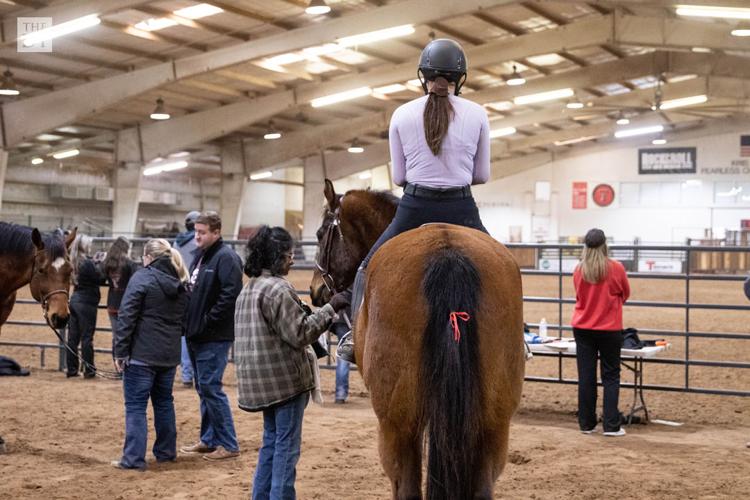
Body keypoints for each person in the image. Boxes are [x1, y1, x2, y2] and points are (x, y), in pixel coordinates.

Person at [337, 38, 490, 363]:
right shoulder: (477, 114)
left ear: (424, 76)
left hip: (414, 208)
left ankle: (353, 338)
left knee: (366, 268)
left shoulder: (402, 114)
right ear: (459, 78)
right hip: (462, 208)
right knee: (500, 266)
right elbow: (482, 175)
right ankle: (515, 338)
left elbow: (400, 178)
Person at [234, 226, 350, 499]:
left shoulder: (248, 290)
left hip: (261, 384)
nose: (292, 260)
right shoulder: (278, 289)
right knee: (286, 449)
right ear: (275, 257)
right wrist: (331, 308)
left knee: (271, 444)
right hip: (285, 384)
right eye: (288, 255)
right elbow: (301, 333)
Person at [111, 239, 189, 470]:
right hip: (168, 356)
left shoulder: (142, 278)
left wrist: (120, 351)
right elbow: (183, 320)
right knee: (164, 403)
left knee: (135, 406)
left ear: (148, 257)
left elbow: (127, 316)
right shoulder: (179, 281)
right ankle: (166, 452)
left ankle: (133, 459)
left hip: (141, 355)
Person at [180, 211, 243, 460]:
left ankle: (229, 444)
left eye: (202, 232)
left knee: (211, 387)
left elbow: (230, 295)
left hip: (213, 336)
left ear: (216, 233)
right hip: (198, 334)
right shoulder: (203, 257)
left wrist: (207, 321)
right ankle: (209, 439)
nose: (197, 236)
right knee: (204, 387)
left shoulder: (226, 258)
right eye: (196, 232)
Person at [572, 228, 630, 437]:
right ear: (605, 244)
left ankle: (586, 423)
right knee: (611, 376)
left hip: (582, 327)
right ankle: (611, 424)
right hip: (609, 328)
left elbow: (579, 296)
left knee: (586, 376)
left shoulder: (579, 270)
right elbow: (625, 293)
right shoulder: (616, 268)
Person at [66, 234, 101, 379]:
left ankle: (72, 369)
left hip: (75, 300)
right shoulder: (87, 263)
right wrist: (98, 264)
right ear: (84, 246)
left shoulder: (73, 261)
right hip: (87, 302)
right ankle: (89, 369)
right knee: (87, 337)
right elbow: (99, 277)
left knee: (73, 338)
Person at [173, 210, 201, 388]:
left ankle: (186, 375)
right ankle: (197, 373)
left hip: (179, 288)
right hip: (196, 289)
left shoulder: (177, 242)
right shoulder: (198, 242)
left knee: (183, 334)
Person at [102, 237, 137, 354]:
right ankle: (124, 366)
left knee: (116, 337)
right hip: (126, 304)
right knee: (127, 337)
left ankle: (117, 365)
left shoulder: (107, 263)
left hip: (112, 303)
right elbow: (136, 281)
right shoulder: (130, 264)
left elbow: (100, 277)